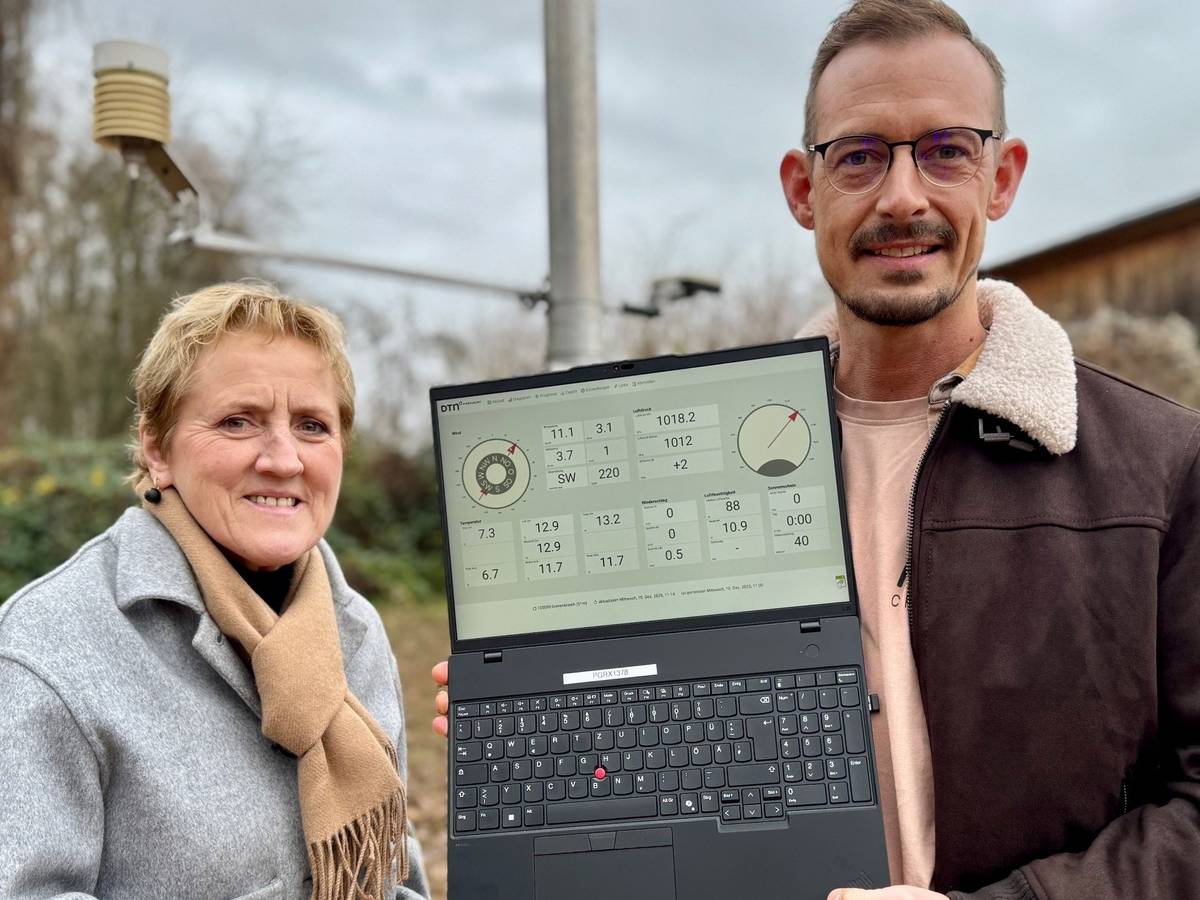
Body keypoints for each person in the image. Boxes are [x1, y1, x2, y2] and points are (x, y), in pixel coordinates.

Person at [433, 2, 1200, 898]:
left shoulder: (1162, 469)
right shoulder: (692, 462)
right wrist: (555, 717)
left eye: (947, 150)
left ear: (1002, 177)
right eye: (860, 156)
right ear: (804, 189)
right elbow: (676, 738)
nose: (903, 197)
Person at [0, 282, 430, 900]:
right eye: (238, 422)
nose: (284, 460)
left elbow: (390, 879)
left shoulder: (356, 631)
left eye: (312, 426)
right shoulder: (49, 645)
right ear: (157, 448)